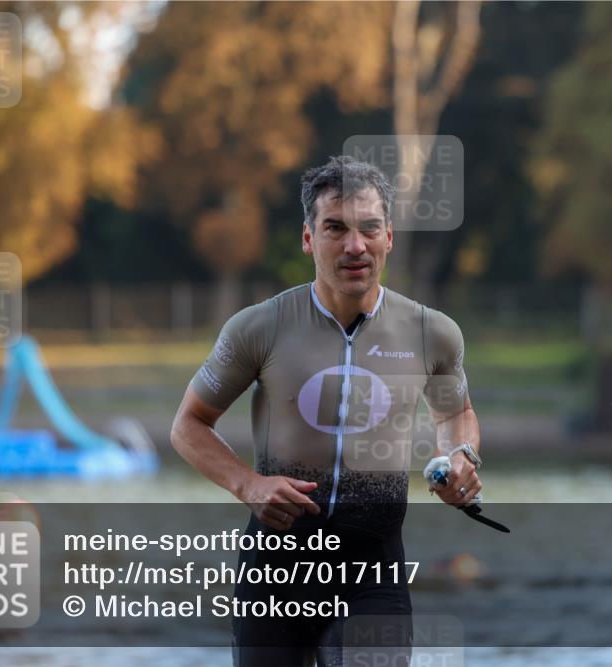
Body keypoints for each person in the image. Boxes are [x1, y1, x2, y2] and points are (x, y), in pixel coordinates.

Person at [170, 156, 482, 667]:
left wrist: (461, 455)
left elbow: (456, 412)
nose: (354, 245)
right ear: (308, 238)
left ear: (389, 238)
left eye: (369, 229)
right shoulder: (259, 327)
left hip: (372, 569)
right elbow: (187, 425)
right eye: (335, 228)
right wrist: (248, 484)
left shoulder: (433, 332)